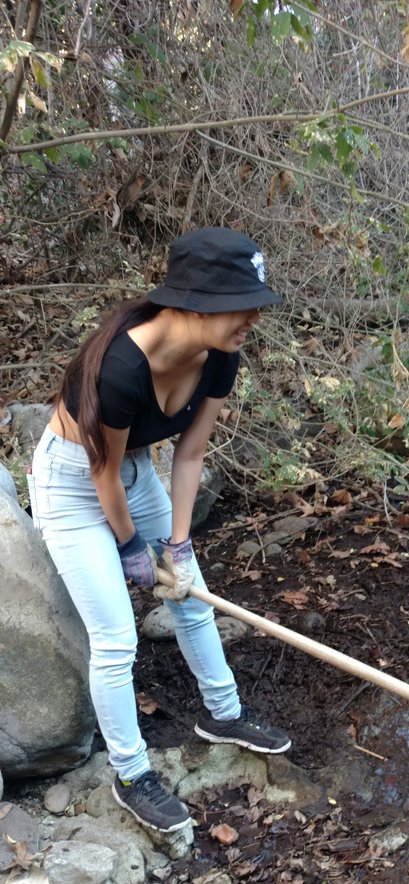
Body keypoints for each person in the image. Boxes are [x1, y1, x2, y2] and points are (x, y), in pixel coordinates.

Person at [28, 227, 291, 835]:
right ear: (195, 300)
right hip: (73, 485)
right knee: (117, 636)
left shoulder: (222, 355)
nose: (252, 316)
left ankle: (223, 714)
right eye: (241, 304)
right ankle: (130, 773)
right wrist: (128, 549)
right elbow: (100, 471)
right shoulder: (121, 366)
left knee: (190, 596)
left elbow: (191, 454)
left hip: (135, 475)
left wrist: (178, 544)